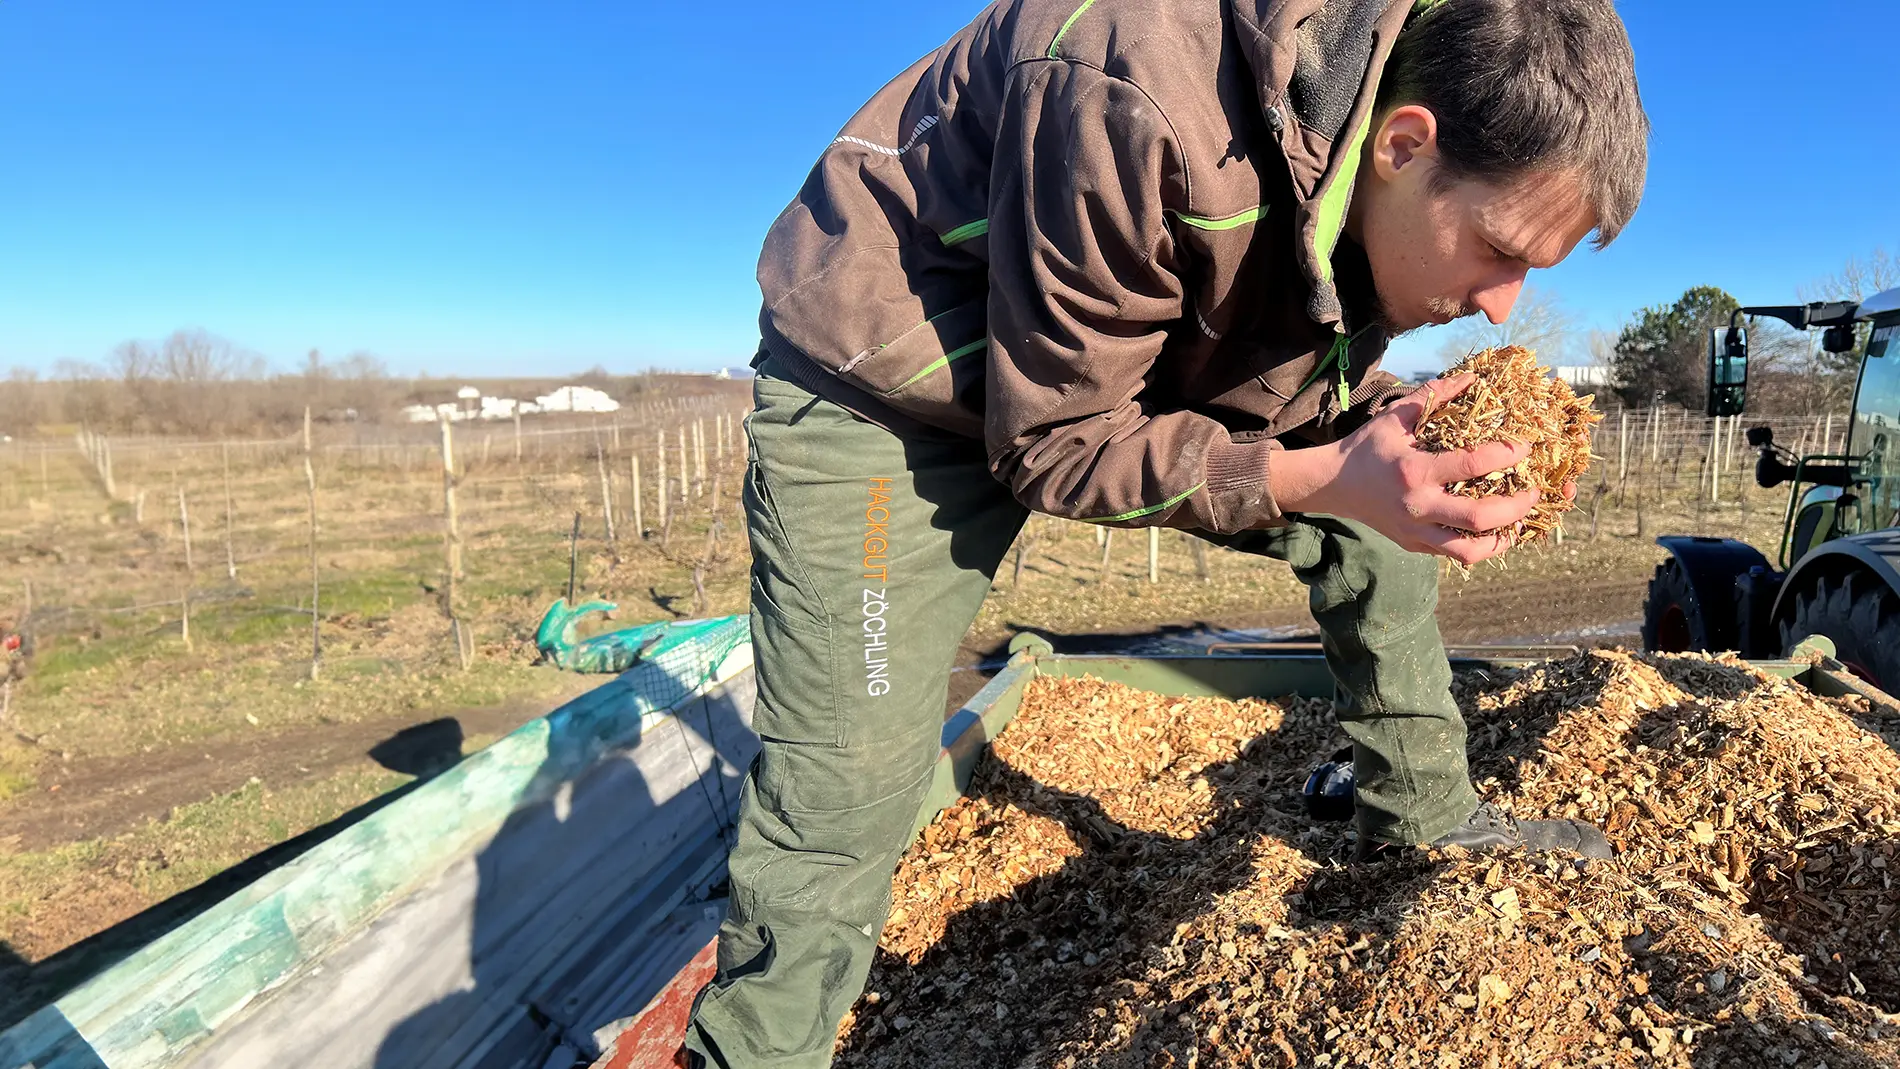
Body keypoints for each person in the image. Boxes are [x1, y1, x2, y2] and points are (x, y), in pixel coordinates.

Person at [683, 0, 1648, 1064]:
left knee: (1375, 508)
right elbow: (1052, 443)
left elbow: (1291, 340)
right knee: (846, 781)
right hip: (897, 388)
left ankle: (1419, 810)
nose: (1507, 306)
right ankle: (759, 1049)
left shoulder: (1364, 147)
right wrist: (1319, 471)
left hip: (1127, 353)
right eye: (1501, 252)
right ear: (1402, 144)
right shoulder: (1133, 87)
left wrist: (1371, 463)